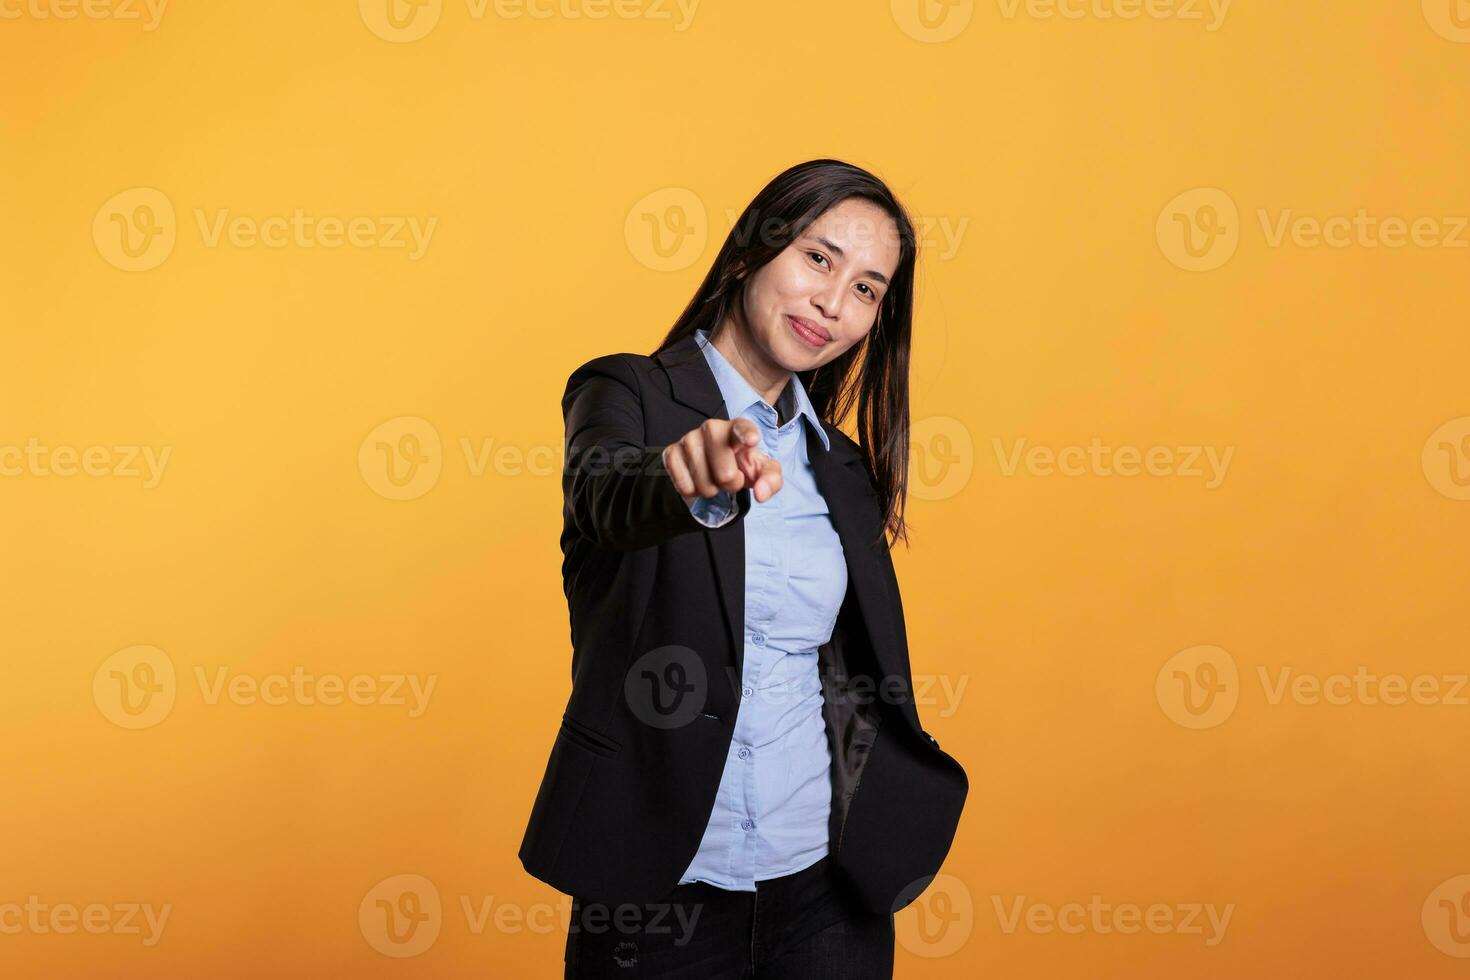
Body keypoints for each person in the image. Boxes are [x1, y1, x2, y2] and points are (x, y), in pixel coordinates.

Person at [520, 159, 968, 978]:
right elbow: (604, 494)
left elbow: (849, 670)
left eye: (868, 289)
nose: (834, 304)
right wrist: (684, 476)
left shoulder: (842, 468)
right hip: (656, 896)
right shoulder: (627, 394)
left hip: (828, 893)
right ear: (749, 253)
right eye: (819, 259)